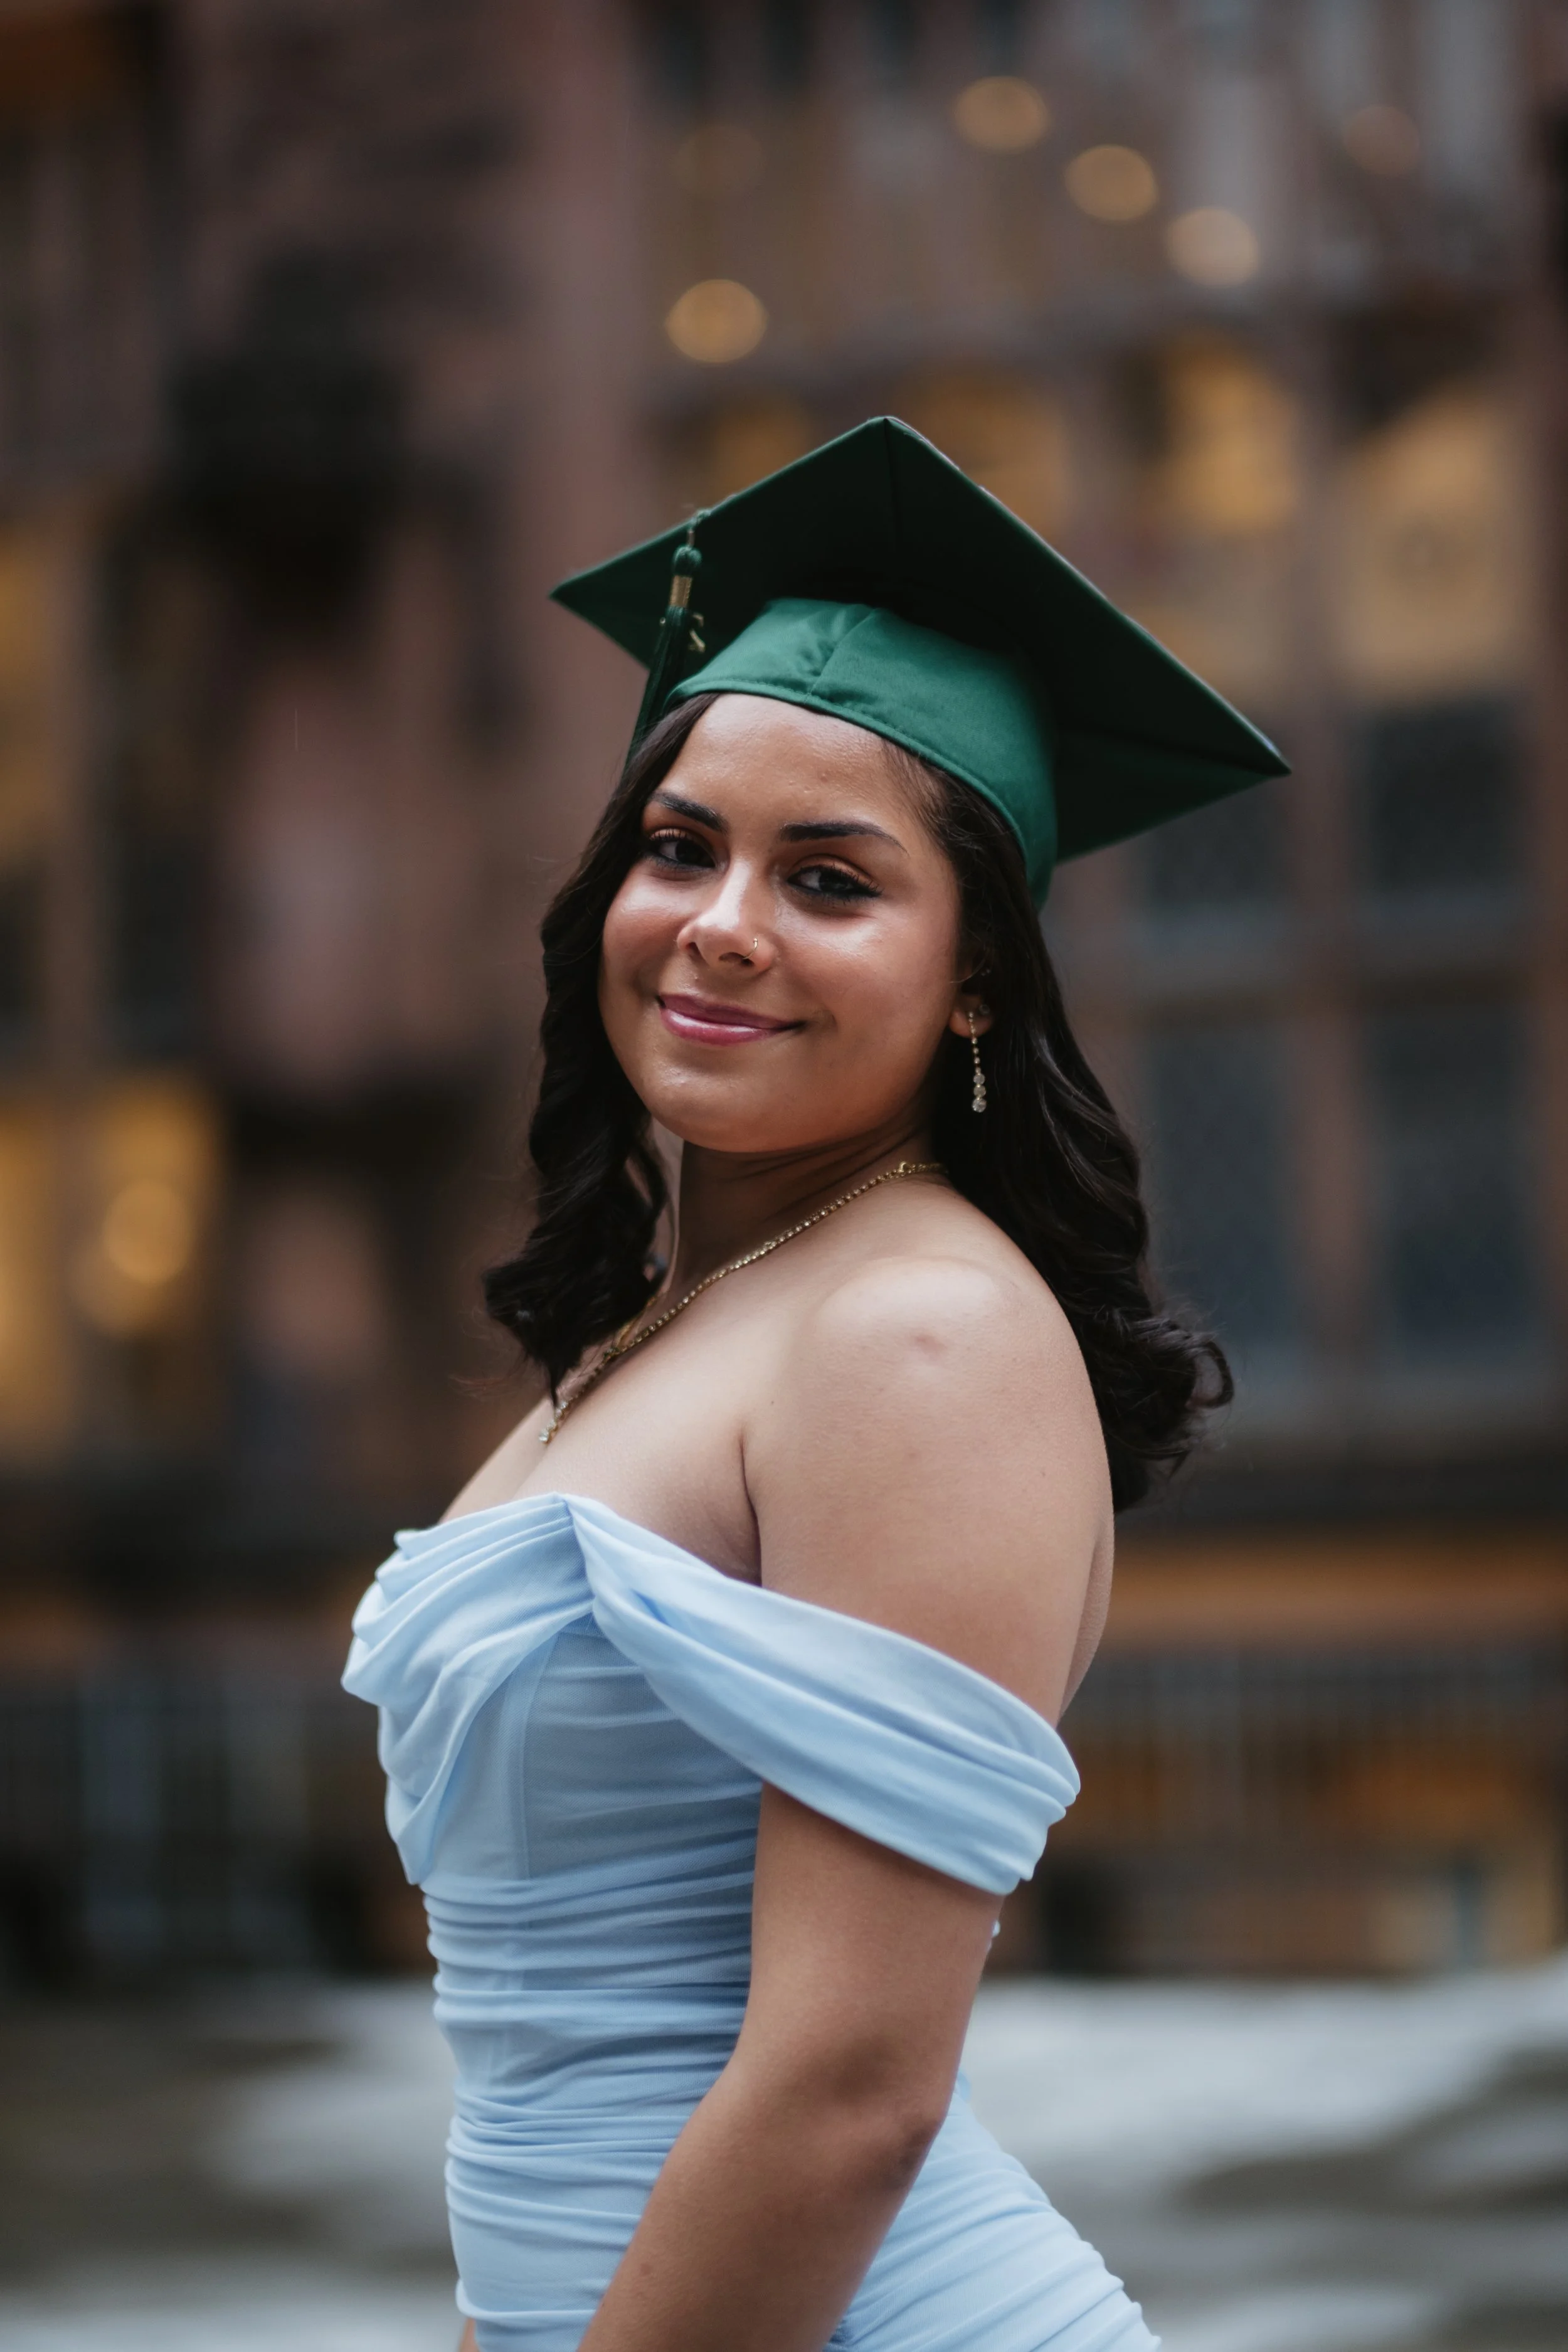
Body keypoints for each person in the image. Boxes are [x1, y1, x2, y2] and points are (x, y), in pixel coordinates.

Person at [344, 418, 1288, 2352]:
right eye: (679, 846)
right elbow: (553, 2068)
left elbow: (849, 2094)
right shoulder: (673, 1324)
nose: (718, 921)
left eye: (830, 880)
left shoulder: (915, 1335)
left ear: (976, 983)